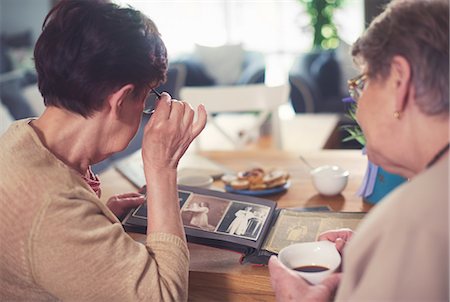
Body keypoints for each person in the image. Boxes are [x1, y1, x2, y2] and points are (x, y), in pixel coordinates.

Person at [0, 1, 207, 301]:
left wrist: (95, 221)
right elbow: (164, 297)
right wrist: (162, 169)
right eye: (147, 97)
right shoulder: (52, 207)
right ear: (122, 99)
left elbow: (44, 244)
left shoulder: (18, 139)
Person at [268, 0, 449, 301]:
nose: (358, 105)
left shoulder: (414, 224)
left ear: (399, 81)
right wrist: (380, 255)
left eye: (361, 84)